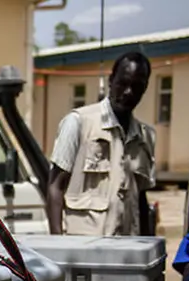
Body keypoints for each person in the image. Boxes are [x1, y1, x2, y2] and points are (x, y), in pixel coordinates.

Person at [46, 51, 157, 236]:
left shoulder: (145, 137)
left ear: (145, 88)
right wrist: (58, 246)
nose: (128, 92)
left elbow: (141, 200)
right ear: (111, 80)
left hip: (127, 253)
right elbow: (55, 187)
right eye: (122, 83)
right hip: (82, 249)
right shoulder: (79, 122)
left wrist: (148, 248)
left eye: (136, 86)